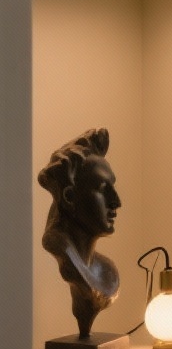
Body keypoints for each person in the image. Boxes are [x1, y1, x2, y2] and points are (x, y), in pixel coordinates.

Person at [38, 127, 122, 338]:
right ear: (69, 197)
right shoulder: (66, 255)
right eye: (103, 189)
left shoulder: (107, 271)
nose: (117, 202)